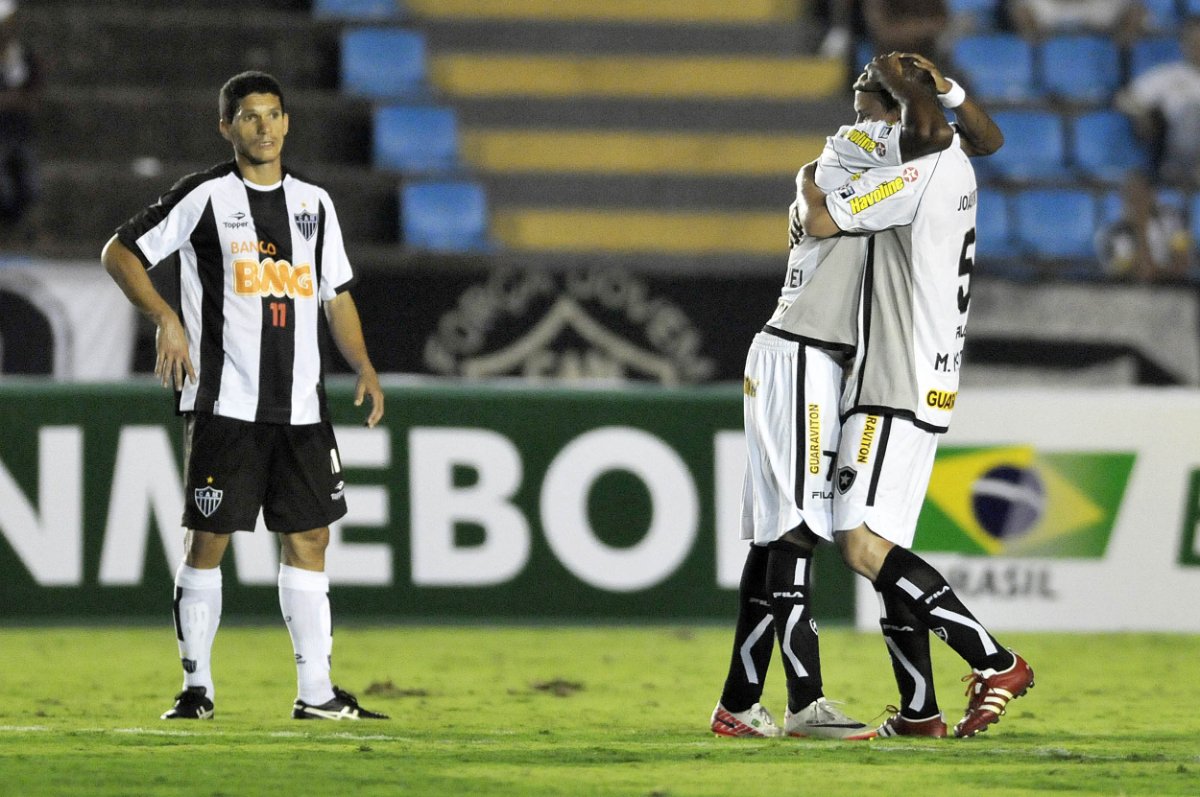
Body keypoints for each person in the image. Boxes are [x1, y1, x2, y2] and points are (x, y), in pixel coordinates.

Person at [711, 53, 1000, 740]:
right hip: (801, 349)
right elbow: (938, 136)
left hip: (821, 354)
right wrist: (916, 87)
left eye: (872, 97)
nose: (868, 109)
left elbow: (961, 136)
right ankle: (806, 702)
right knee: (798, 530)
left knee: (783, 532)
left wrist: (936, 88)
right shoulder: (856, 146)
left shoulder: (883, 159)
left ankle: (739, 701)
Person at [101, 71, 388, 722]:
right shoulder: (204, 197)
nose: (262, 126)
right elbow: (120, 252)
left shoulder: (314, 203)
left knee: (310, 537)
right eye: (248, 116)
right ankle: (196, 687)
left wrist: (365, 364)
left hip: (303, 408)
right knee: (209, 539)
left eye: (273, 114)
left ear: (287, 123)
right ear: (225, 126)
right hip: (225, 401)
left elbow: (335, 293)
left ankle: (316, 692)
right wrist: (165, 316)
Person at [795, 59, 1030, 739]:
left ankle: (995, 659)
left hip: (894, 373)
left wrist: (813, 180)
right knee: (887, 542)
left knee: (860, 542)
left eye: (870, 108)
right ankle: (920, 707)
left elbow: (822, 223)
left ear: (898, 111)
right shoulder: (956, 152)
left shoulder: (913, 171)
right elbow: (990, 137)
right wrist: (949, 88)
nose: (863, 123)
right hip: (933, 371)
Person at [1115, 17, 1200, 187]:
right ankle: (1179, 170)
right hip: (1175, 146)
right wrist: (1143, 115)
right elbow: (1125, 99)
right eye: (1193, 41)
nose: (1197, 47)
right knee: (1191, 113)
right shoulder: (1169, 75)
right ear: (1183, 44)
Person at [1095, 170, 1192, 282]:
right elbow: (1139, 274)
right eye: (1132, 196)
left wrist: (1158, 272)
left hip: (1174, 289)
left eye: (1142, 194)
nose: (1138, 201)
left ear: (1153, 194)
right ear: (1123, 199)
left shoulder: (1174, 220)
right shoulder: (1109, 234)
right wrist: (1141, 227)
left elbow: (1182, 265)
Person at [0, 0, 40, 240]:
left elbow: (33, 96)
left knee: (31, 185)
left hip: (21, 131)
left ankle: (26, 234)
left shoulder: (22, 56)